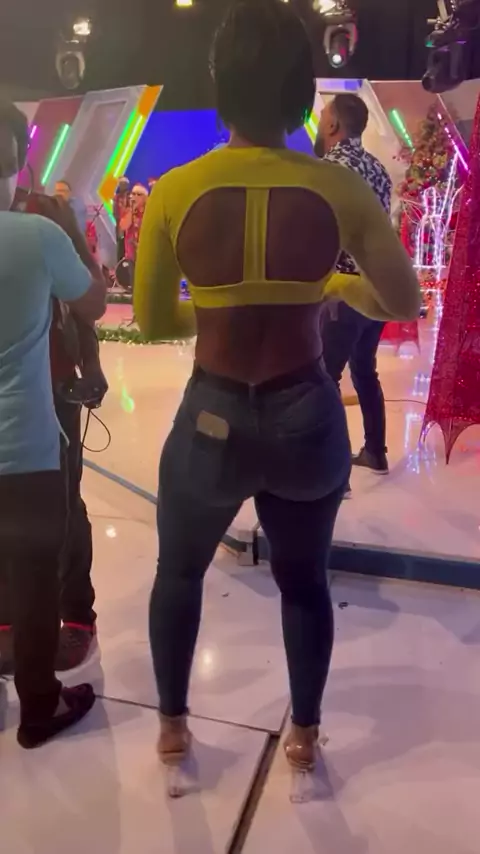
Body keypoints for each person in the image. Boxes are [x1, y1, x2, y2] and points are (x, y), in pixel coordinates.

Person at [134, 0, 420, 783]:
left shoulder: (176, 190)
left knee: (178, 573)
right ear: (302, 91)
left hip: (213, 411)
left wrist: (221, 303)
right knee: (304, 582)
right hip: (305, 413)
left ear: (221, 84)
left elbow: (154, 321)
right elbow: (402, 301)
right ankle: (303, 735)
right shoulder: (338, 189)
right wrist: (335, 285)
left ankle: (172, 729)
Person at [0, 101, 106, 748]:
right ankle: (39, 704)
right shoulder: (37, 234)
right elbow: (92, 301)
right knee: (37, 571)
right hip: (27, 441)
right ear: (17, 161)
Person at [315, 94, 393, 475]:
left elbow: (320, 235)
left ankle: (334, 471)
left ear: (333, 125)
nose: (319, 123)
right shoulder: (379, 169)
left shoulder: (327, 170)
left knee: (325, 378)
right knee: (364, 371)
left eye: (322, 117)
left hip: (342, 294)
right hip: (376, 291)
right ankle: (376, 451)